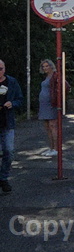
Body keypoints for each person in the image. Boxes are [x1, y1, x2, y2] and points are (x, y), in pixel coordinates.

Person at [0, 59, 24, 193]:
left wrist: (12, 104)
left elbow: (20, 99)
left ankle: (3, 178)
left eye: (1, 69)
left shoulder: (12, 82)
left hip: (7, 122)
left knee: (8, 151)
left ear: (5, 69)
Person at [39, 59, 69, 157]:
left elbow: (65, 86)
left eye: (46, 66)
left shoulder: (55, 76)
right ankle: (51, 147)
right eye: (43, 66)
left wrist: (57, 98)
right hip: (44, 105)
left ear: (51, 66)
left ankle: (56, 148)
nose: (45, 68)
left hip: (51, 104)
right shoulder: (47, 77)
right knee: (47, 127)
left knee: (53, 126)